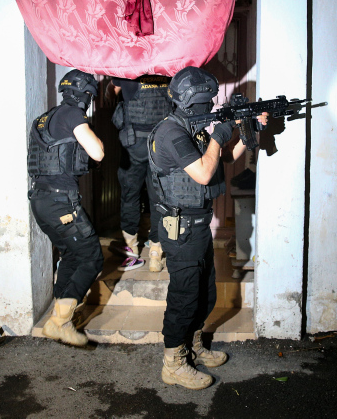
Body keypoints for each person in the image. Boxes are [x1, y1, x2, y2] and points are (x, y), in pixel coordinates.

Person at [147, 66, 267, 390]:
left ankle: (194, 347)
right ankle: (173, 363)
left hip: (198, 226)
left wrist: (248, 129)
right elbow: (203, 173)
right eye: (208, 100)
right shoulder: (170, 132)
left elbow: (223, 159)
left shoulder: (191, 128)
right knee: (185, 297)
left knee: (206, 293)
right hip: (181, 229)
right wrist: (218, 134)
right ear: (193, 100)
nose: (212, 105)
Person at [27, 69, 105, 347]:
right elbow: (97, 152)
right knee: (92, 258)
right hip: (61, 201)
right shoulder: (73, 115)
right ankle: (59, 322)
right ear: (87, 95)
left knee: (72, 256)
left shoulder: (44, 117)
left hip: (41, 200)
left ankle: (60, 316)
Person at [111, 74, 173, 272]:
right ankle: (155, 253)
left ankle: (131, 250)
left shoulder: (126, 72)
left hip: (133, 144)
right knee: (159, 198)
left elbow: (111, 94)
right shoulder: (167, 71)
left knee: (130, 196)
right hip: (161, 144)